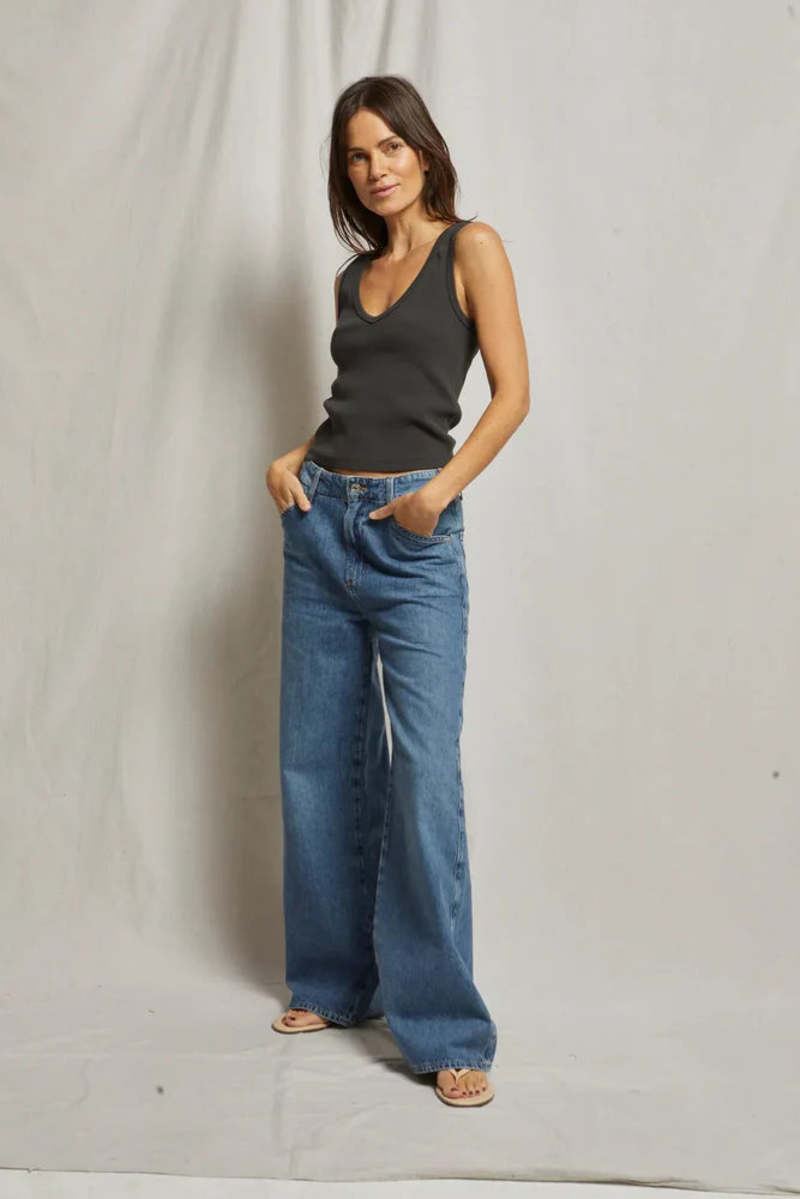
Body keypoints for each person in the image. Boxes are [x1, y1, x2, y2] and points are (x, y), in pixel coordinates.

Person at [265, 75, 529, 1108]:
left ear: (423, 149)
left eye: (388, 146)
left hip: (413, 542)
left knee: (421, 777)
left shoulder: (472, 248)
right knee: (318, 762)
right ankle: (335, 983)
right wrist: (296, 455)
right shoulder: (353, 276)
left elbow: (511, 395)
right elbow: (358, 404)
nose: (374, 168)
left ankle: (446, 1027)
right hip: (320, 523)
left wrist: (436, 494)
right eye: (355, 154)